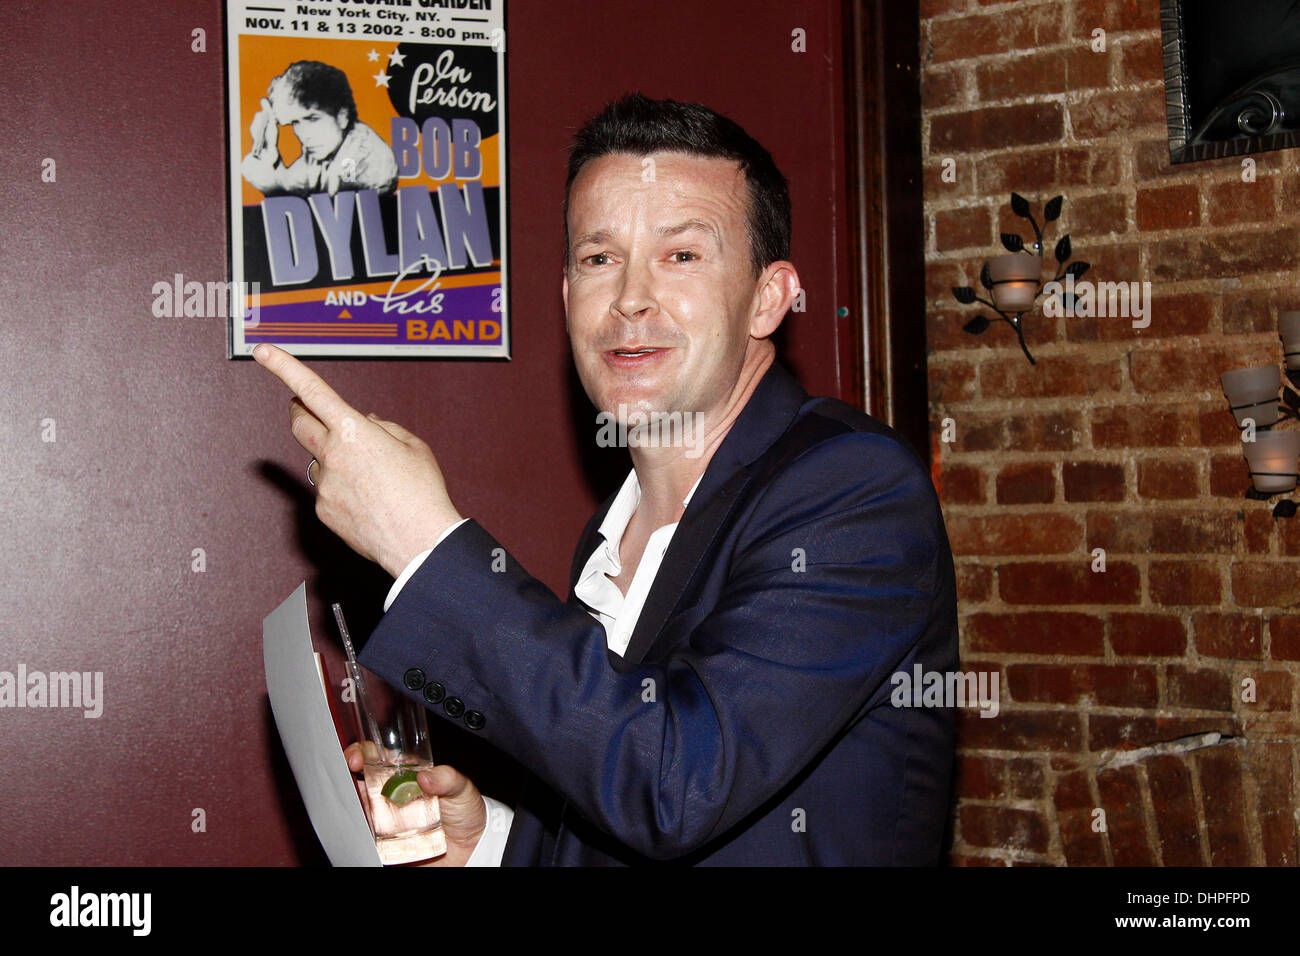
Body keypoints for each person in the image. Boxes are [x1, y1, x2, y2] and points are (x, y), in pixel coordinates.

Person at [254, 93, 959, 865]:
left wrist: (425, 541)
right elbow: (618, 792)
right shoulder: (612, 528)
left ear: (767, 297)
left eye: (680, 255)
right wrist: (487, 842)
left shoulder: (852, 488)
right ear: (566, 298)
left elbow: (677, 782)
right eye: (599, 259)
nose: (629, 299)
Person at [241, 60, 398, 198]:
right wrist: (273, 157)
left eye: (312, 119)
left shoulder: (356, 159)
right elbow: (292, 185)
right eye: (295, 122)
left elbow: (337, 216)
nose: (304, 135)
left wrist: (271, 189)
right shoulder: (322, 149)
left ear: (342, 116)